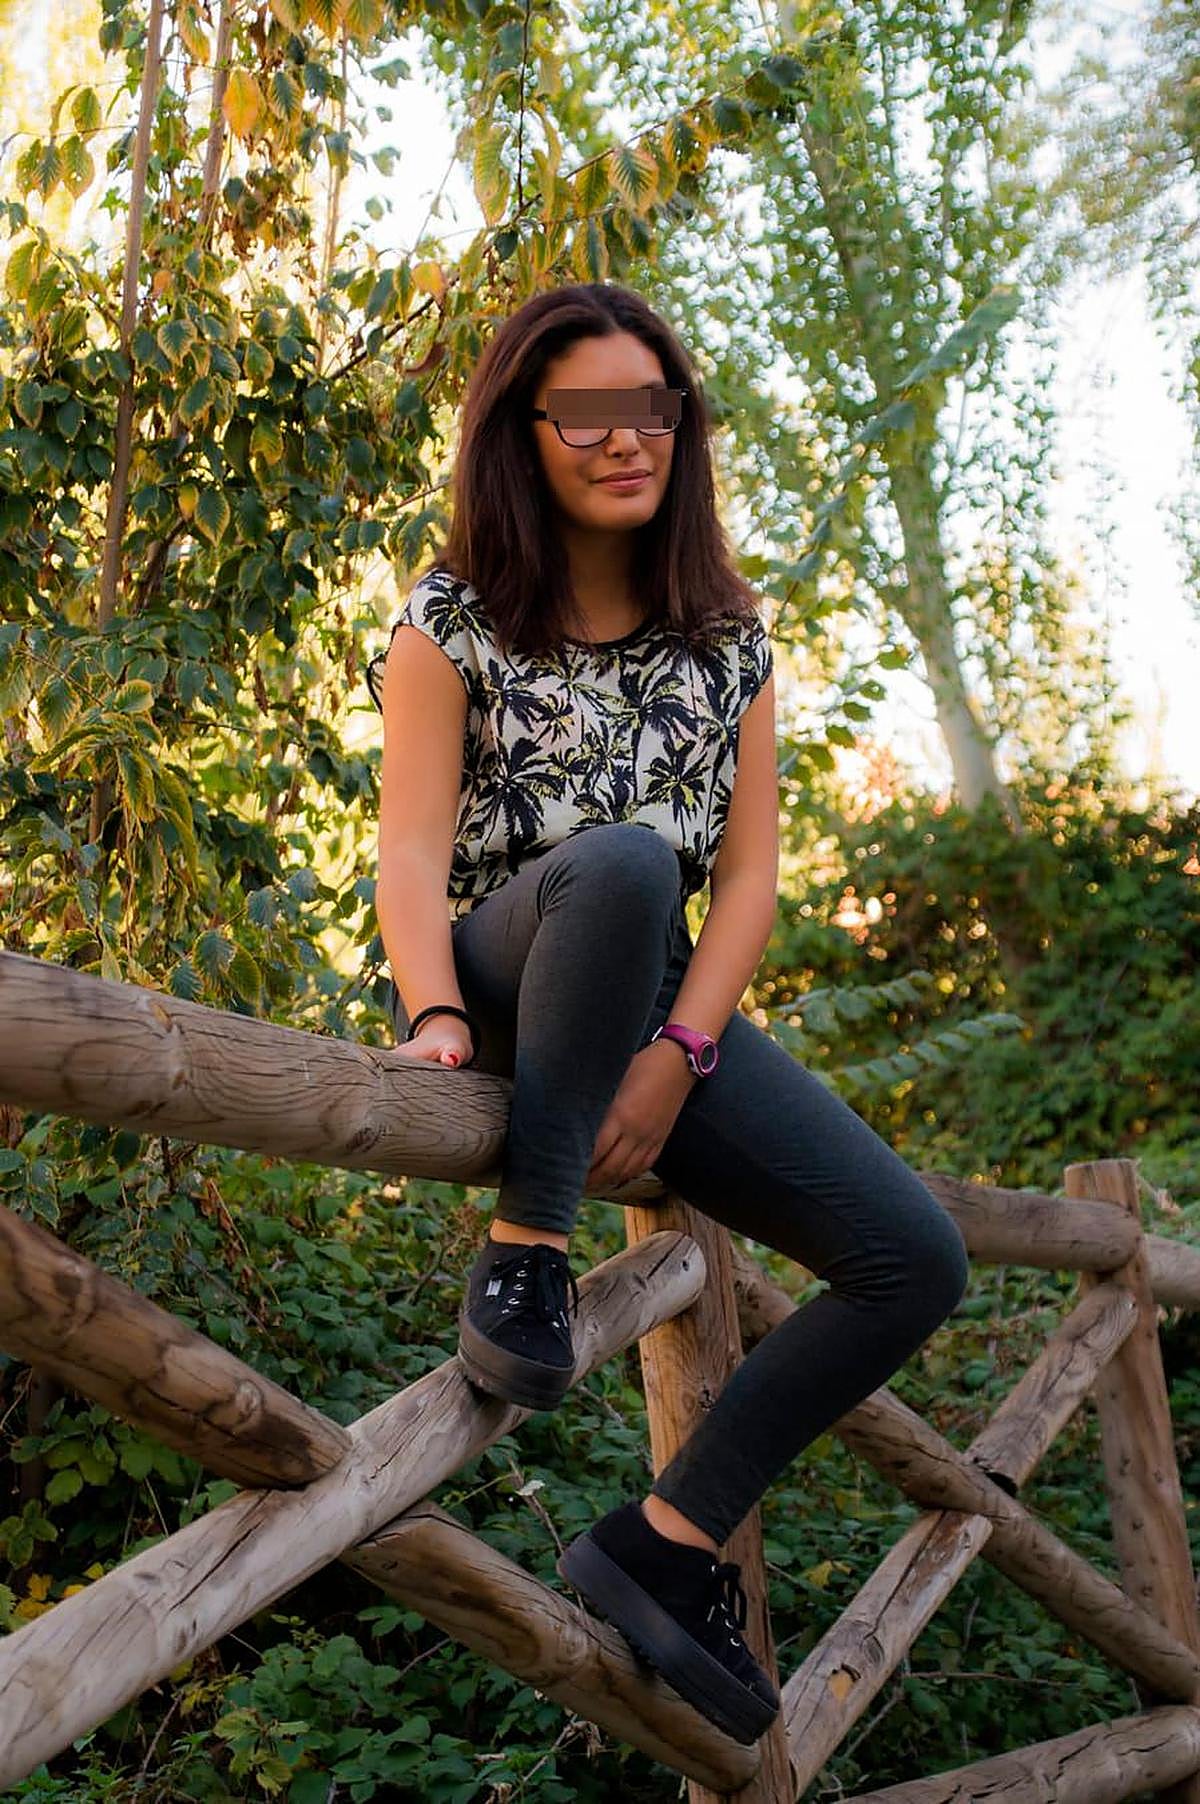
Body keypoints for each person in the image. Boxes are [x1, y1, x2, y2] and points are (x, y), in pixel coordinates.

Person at [367, 281, 968, 1747]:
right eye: (585, 412)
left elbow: (750, 879)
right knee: (627, 863)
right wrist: (436, 1012)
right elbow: (410, 852)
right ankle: (526, 1253)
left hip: (654, 1005)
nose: (625, 437)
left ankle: (667, 1541)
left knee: (914, 1259)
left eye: (651, 407)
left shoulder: (730, 641)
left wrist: (682, 1053)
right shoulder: (451, 620)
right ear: (524, 430)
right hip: (512, 961)